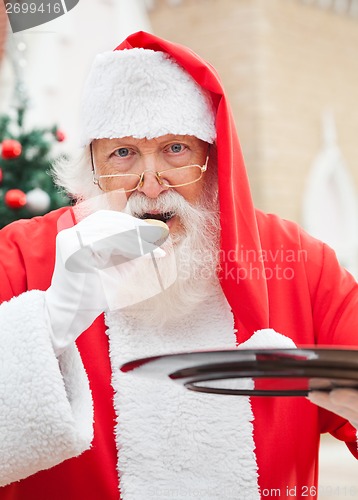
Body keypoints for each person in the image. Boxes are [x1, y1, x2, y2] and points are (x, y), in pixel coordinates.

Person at [0, 30, 357, 500]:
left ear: (213, 157)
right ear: (90, 167)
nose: (150, 184)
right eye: (123, 153)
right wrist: (45, 327)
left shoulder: (300, 263)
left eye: (176, 150)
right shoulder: (20, 255)